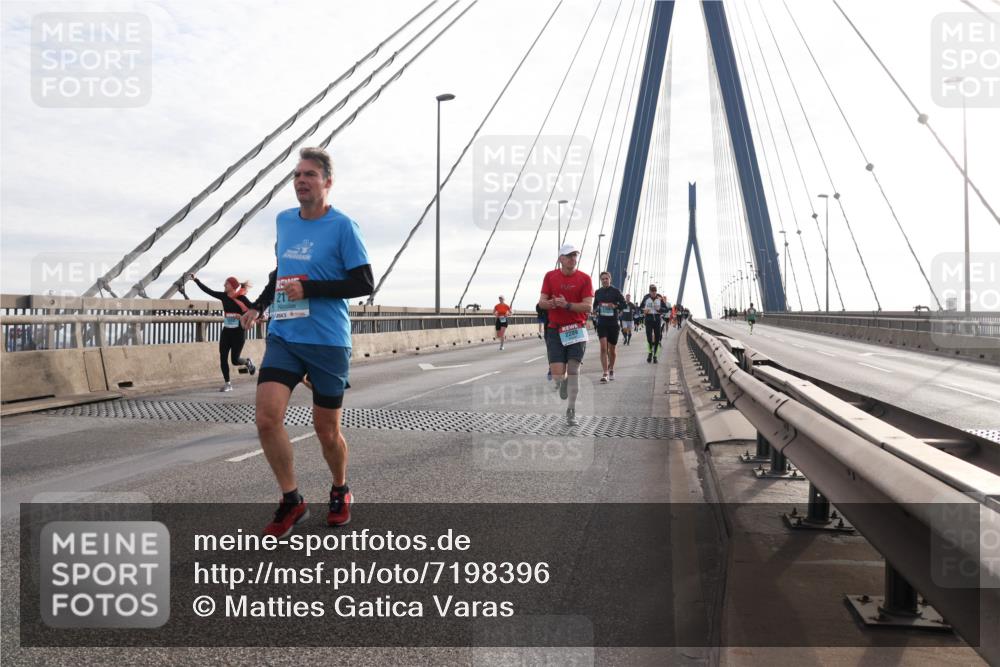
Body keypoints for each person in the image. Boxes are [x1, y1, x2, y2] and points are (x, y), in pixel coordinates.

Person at [239, 147, 374, 538]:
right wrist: (259, 306)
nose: (301, 180)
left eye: (310, 175)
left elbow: (363, 283)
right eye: (297, 174)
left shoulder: (344, 227)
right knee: (267, 418)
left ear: (327, 182)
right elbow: (281, 271)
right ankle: (292, 500)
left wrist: (311, 288)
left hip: (327, 341)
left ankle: (340, 489)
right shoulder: (284, 221)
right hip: (285, 335)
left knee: (326, 430)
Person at [538, 243, 593, 427]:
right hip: (555, 329)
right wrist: (554, 303)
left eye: (575, 255)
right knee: (557, 374)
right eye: (568, 256)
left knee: (575, 370)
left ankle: (571, 410)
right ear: (560, 259)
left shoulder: (585, 278)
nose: (572, 259)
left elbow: (588, 306)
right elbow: (541, 303)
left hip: (576, 328)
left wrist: (567, 305)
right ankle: (562, 382)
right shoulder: (550, 276)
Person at [187, 273, 256, 391]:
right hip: (226, 332)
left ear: (232, 286)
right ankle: (228, 384)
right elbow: (208, 291)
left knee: (235, 360)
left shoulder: (242, 298)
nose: (224, 285)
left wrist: (242, 317)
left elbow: (254, 310)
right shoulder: (224, 296)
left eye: (227, 284)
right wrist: (196, 280)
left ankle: (247, 362)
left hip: (238, 333)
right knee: (223, 357)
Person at [594, 272, 626, 383]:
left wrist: (615, 306)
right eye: (602, 279)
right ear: (600, 280)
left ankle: (611, 368)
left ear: (610, 279)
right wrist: (595, 310)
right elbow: (594, 305)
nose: (604, 280)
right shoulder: (598, 292)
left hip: (613, 324)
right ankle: (605, 372)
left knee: (612, 350)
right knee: (603, 348)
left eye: (606, 278)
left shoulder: (616, 292)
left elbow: (624, 305)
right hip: (602, 323)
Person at [639, 284, 669, 364]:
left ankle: (655, 356)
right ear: (649, 292)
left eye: (655, 292)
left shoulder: (659, 298)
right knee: (649, 338)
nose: (653, 294)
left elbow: (666, 309)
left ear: (656, 292)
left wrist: (659, 309)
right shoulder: (646, 298)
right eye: (652, 292)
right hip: (648, 319)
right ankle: (650, 353)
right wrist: (643, 311)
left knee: (657, 339)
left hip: (657, 320)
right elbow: (640, 308)